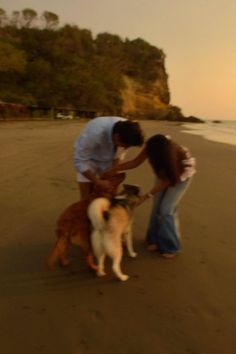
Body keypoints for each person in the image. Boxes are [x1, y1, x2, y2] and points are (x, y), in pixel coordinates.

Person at [104, 134, 196, 258]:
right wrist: (114, 169)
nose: (149, 157)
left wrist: (146, 196)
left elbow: (167, 181)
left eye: (152, 156)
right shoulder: (153, 145)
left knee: (166, 211)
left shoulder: (170, 158)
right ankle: (153, 240)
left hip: (179, 175)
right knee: (157, 206)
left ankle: (171, 247)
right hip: (164, 172)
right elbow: (135, 162)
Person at [73, 116, 144, 199]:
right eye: (125, 146)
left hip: (109, 159)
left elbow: (118, 156)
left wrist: (113, 171)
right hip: (88, 159)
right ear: (117, 137)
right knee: (86, 198)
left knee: (110, 195)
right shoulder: (95, 132)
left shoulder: (129, 131)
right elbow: (79, 161)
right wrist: (97, 181)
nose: (126, 148)